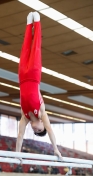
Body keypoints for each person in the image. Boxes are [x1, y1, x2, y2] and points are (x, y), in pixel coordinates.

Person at [16, 11, 62, 159]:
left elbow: (20, 135)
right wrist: (55, 149)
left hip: (22, 77)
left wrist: (18, 154)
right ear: (42, 124)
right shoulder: (42, 114)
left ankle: (29, 24)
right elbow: (51, 131)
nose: (35, 130)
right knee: (35, 48)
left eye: (35, 132)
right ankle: (37, 23)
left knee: (25, 49)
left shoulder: (24, 117)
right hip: (34, 76)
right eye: (39, 130)